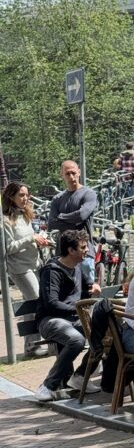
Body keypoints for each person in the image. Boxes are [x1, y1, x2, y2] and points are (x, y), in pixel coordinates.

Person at [34, 229, 100, 401]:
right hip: (51, 320)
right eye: (83, 247)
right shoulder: (52, 271)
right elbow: (51, 304)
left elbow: (87, 288)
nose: (87, 250)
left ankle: (79, 377)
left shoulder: (77, 267)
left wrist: (93, 288)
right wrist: (78, 310)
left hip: (74, 319)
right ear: (71, 250)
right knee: (76, 340)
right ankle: (47, 386)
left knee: (105, 335)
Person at [1, 181, 52, 357]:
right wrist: (31, 239)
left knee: (33, 303)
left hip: (34, 264)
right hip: (20, 268)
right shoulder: (5, 220)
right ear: (11, 197)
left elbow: (30, 239)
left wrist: (41, 242)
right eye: (21, 195)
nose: (26, 198)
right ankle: (32, 345)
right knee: (36, 300)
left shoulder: (25, 215)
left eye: (27, 194)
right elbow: (8, 248)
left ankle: (32, 345)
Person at [47, 160, 99, 288]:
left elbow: (82, 215)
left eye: (73, 173)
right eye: (67, 174)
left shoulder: (89, 194)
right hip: (62, 253)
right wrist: (74, 221)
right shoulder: (57, 199)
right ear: (62, 175)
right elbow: (52, 224)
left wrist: (62, 217)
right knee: (65, 291)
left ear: (79, 172)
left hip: (84, 252)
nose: (71, 177)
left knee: (88, 291)